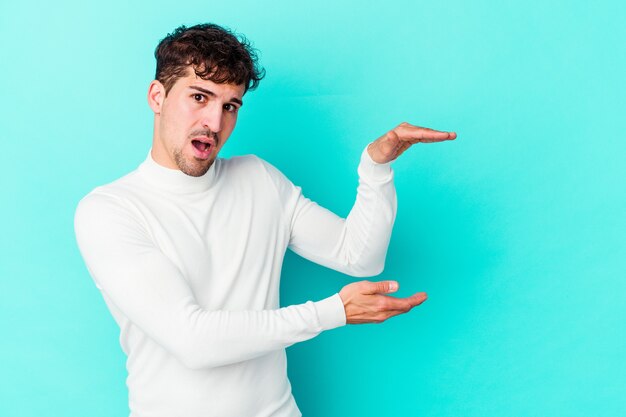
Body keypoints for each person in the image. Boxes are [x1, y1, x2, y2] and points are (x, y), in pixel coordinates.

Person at [74, 23, 457, 417]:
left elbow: (358, 256)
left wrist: (376, 167)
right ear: (158, 96)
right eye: (199, 97)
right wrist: (332, 312)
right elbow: (192, 340)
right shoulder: (110, 210)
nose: (215, 122)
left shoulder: (258, 179)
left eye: (230, 105)